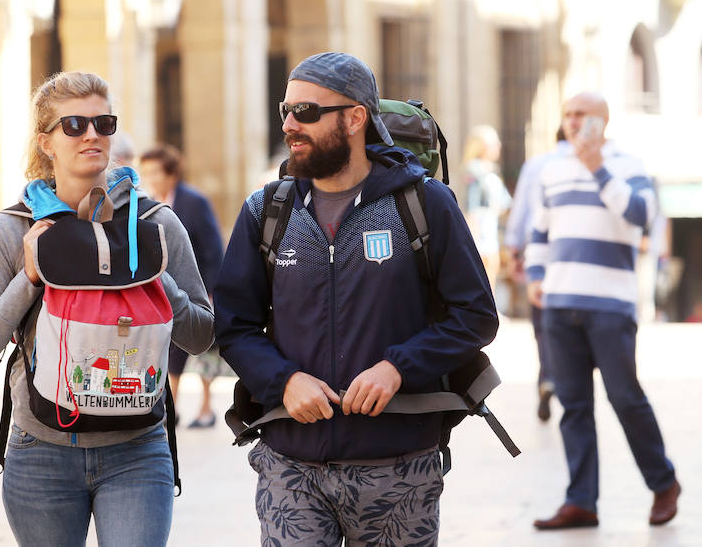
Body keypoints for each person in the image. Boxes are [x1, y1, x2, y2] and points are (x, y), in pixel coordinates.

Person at [214, 52, 498, 546]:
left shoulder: (425, 203)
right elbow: (234, 326)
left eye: (306, 112)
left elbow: (475, 317)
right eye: (285, 110)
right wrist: (284, 381)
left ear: (354, 118)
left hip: (400, 469)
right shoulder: (267, 211)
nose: (289, 124)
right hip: (290, 466)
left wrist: (398, 368)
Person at [0, 71, 214, 546]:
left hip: (137, 449)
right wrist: (29, 277)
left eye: (103, 123)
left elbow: (200, 336)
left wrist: (156, 275)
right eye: (74, 125)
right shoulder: (12, 229)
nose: (92, 134)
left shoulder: (156, 223)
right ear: (46, 142)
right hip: (40, 451)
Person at [528, 92, 680, 529]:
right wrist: (536, 275)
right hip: (559, 304)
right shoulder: (551, 169)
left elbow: (640, 214)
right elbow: (540, 230)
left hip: (610, 304)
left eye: (583, 114)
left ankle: (664, 483)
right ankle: (581, 502)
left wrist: (597, 167)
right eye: (569, 114)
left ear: (603, 120)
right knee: (573, 405)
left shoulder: (629, 166)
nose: (574, 121)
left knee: (625, 398)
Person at [139, 145, 225, 429]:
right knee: (171, 350)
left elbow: (213, 249)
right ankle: (171, 407)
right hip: (165, 292)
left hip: (199, 286)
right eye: (146, 172)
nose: (150, 177)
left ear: (172, 173)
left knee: (205, 352)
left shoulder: (194, 202)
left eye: (155, 172)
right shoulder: (146, 203)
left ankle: (206, 408)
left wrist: (211, 292)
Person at [503, 126, 569, 421]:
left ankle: (548, 377)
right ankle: (564, 379)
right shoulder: (585, 164)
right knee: (570, 322)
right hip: (571, 254)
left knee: (543, 324)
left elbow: (521, 212)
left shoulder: (536, 165)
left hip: (539, 252)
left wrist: (514, 250)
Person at [461, 125, 511, 299]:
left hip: (492, 224)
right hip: (480, 226)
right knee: (484, 270)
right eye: (493, 143)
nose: (498, 147)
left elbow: (504, 202)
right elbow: (472, 206)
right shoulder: (474, 169)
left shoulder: (492, 170)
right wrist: (473, 237)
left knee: (493, 269)